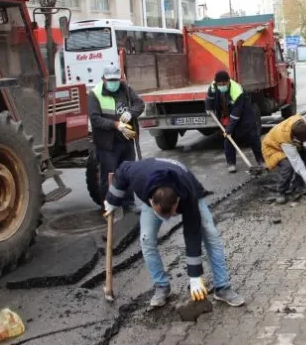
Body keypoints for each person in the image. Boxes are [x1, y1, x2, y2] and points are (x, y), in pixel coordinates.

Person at [104, 157, 245, 308]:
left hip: (187, 186)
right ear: (152, 201)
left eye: (172, 214)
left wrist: (195, 276)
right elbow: (122, 170)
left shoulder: (187, 196)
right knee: (146, 239)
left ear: (177, 201)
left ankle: (222, 287)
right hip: (151, 178)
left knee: (210, 233)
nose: (169, 219)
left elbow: (192, 234)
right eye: (165, 215)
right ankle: (161, 286)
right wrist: (112, 200)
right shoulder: (138, 177)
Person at [88, 65, 145, 209]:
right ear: (103, 79)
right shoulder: (95, 94)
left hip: (125, 140)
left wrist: (130, 113)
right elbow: (95, 118)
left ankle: (128, 202)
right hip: (106, 143)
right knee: (109, 175)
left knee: (127, 172)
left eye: (116, 79)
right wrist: (115, 124)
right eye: (110, 80)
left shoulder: (125, 89)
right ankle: (108, 204)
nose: (114, 83)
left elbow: (139, 104)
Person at [205, 70, 265, 173]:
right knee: (228, 139)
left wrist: (229, 129)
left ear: (228, 81)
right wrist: (208, 108)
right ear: (216, 82)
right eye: (219, 84)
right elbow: (209, 97)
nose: (221, 86)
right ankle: (231, 163)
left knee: (252, 137)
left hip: (244, 115)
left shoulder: (237, 90)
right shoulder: (214, 86)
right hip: (227, 114)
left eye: (224, 84)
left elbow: (237, 113)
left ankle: (261, 161)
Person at [262, 114, 306, 204]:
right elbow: (299, 166)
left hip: (289, 142)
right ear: (294, 137)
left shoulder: (301, 121)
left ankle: (298, 185)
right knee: (288, 166)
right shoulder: (285, 139)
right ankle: (281, 191)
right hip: (273, 148)